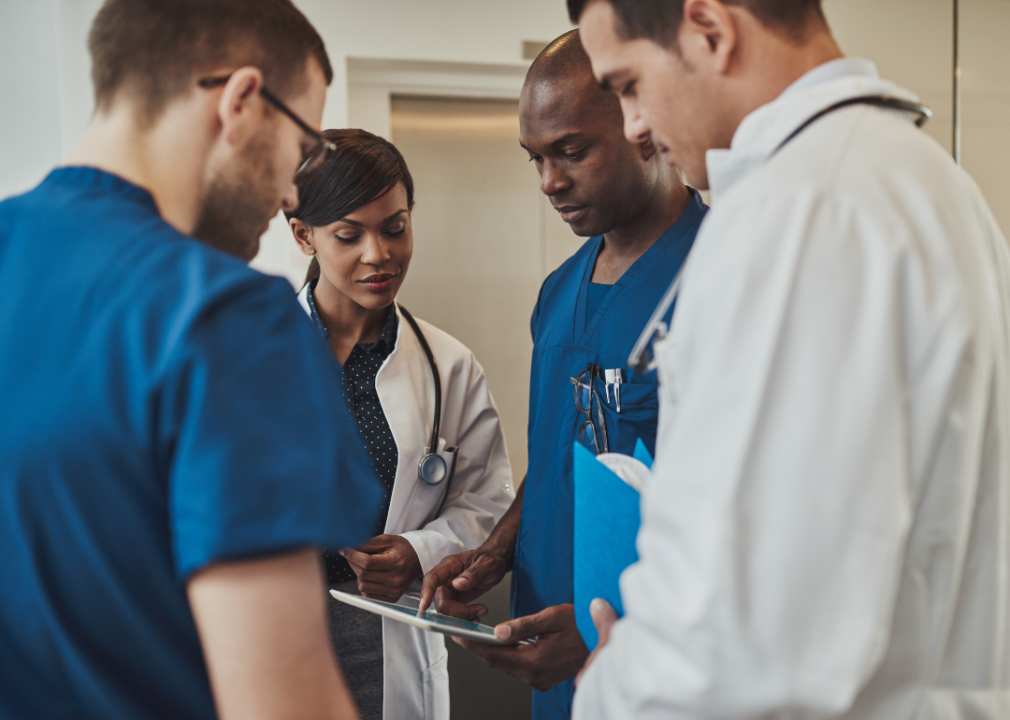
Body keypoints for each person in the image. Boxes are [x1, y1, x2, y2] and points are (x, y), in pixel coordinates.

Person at [569, 0, 1010, 718]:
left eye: (628, 85)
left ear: (709, 28)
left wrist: (617, 684)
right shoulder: (937, 185)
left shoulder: (797, 212)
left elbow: (747, 638)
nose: (635, 126)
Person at [0, 2, 385, 719]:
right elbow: (284, 705)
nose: (292, 191)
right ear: (241, 102)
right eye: (300, 149)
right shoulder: (225, 317)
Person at [418, 30, 707, 719]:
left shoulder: (722, 278)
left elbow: (749, 522)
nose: (549, 181)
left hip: (662, 670)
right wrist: (497, 551)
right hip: (547, 663)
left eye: (571, 151)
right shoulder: (558, 291)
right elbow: (564, 455)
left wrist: (603, 631)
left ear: (644, 126)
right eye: (536, 159)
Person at [284, 128, 515, 720]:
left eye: (395, 227)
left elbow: (488, 502)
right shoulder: (246, 354)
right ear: (302, 234)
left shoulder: (448, 366)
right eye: (348, 234)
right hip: (277, 634)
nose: (378, 254)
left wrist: (419, 550)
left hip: (391, 640)